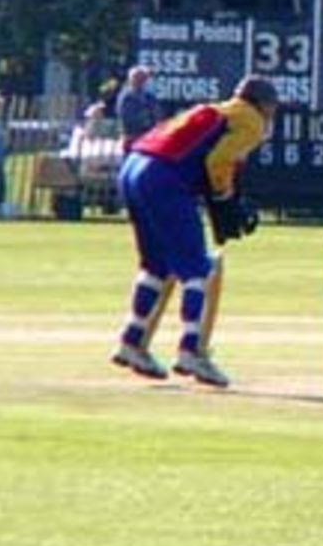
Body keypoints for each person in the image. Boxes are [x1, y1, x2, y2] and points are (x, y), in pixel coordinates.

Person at [110, 75, 280, 387]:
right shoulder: (251, 120)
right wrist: (224, 197)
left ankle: (131, 341)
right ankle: (191, 351)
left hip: (134, 166)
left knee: (155, 265)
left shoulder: (211, 110)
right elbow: (219, 160)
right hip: (163, 176)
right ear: (265, 104)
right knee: (197, 268)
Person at [115, 65, 161, 152]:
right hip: (132, 136)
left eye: (144, 78)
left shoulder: (149, 96)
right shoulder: (126, 96)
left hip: (149, 137)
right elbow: (126, 116)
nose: (141, 81)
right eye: (138, 78)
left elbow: (157, 113)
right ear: (131, 79)